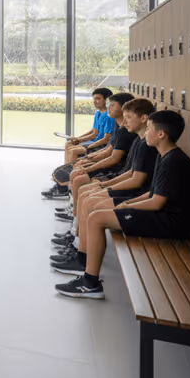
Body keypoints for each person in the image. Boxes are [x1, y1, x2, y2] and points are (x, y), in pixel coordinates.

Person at [55, 110, 190, 299]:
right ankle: (84, 265)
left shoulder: (173, 161)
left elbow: (156, 202)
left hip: (172, 223)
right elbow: (153, 193)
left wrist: (127, 206)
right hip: (162, 214)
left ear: (161, 134)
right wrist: (129, 203)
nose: (146, 133)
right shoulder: (164, 155)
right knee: (96, 212)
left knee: (97, 218)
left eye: (149, 128)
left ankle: (90, 283)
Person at [50, 98, 157, 271]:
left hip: (134, 192)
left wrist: (104, 186)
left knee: (87, 196)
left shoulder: (145, 144)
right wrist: (103, 184)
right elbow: (129, 172)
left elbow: (135, 179)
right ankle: (77, 243)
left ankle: (82, 258)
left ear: (144, 119)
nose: (124, 120)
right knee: (86, 194)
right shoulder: (139, 139)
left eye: (128, 116)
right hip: (127, 184)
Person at [43, 93, 133, 200]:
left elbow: (113, 155)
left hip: (115, 168)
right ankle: (64, 191)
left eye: (113, 105)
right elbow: (108, 148)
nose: (109, 107)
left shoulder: (125, 131)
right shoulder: (119, 127)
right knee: (62, 170)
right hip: (105, 158)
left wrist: (89, 164)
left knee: (73, 172)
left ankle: (65, 192)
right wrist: (88, 158)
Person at [62, 88, 114, 164]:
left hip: (101, 145)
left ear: (107, 100)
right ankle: (65, 168)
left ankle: (71, 172)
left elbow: (105, 138)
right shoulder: (98, 113)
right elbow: (94, 131)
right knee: (68, 144)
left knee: (73, 150)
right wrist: (78, 138)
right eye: (94, 99)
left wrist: (83, 142)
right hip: (93, 141)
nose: (94, 101)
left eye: (98, 99)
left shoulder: (109, 116)